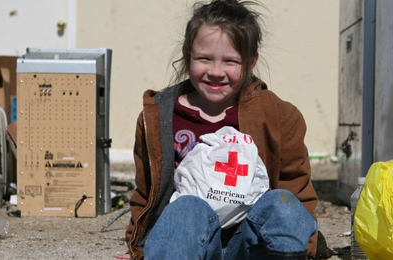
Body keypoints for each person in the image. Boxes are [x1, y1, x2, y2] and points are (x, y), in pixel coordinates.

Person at [124, 0, 320, 259]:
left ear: (251, 61)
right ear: (187, 54)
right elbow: (145, 194)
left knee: (281, 203)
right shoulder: (158, 117)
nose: (216, 72)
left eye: (231, 61)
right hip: (191, 243)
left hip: (252, 244)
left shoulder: (280, 116)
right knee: (187, 209)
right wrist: (137, 249)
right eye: (204, 58)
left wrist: (306, 249)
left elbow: (297, 191)